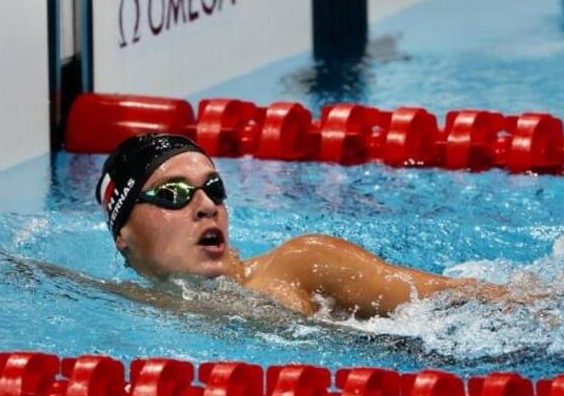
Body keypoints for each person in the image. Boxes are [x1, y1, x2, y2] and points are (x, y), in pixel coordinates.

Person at [96, 133, 513, 319]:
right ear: (123, 235)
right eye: (173, 194)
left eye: (214, 188)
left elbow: (467, 299)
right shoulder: (132, 305)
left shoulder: (300, 263)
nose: (206, 205)